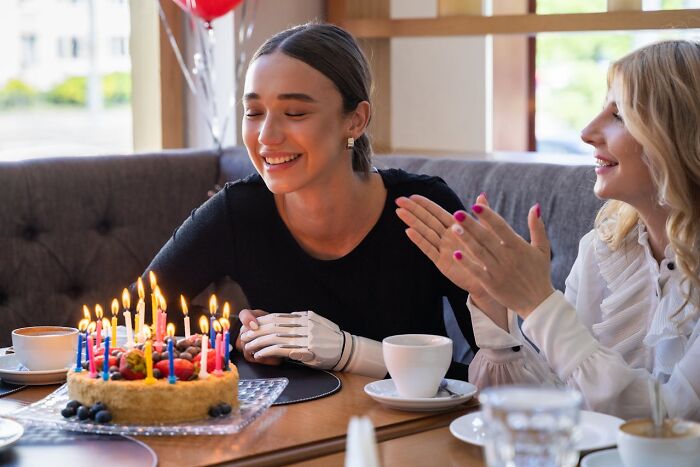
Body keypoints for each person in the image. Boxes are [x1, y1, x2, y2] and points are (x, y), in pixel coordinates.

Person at [141, 23, 476, 379]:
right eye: (253, 113)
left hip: (411, 429)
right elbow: (143, 309)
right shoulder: (240, 210)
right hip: (294, 429)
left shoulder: (423, 208)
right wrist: (240, 335)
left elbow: (495, 372)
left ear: (356, 120)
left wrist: (349, 351)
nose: (266, 136)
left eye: (295, 113)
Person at [396, 40, 700, 420]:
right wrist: (492, 298)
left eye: (619, 115)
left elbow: (673, 424)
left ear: (679, 136)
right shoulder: (603, 249)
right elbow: (550, 403)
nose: (588, 131)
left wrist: (540, 304)